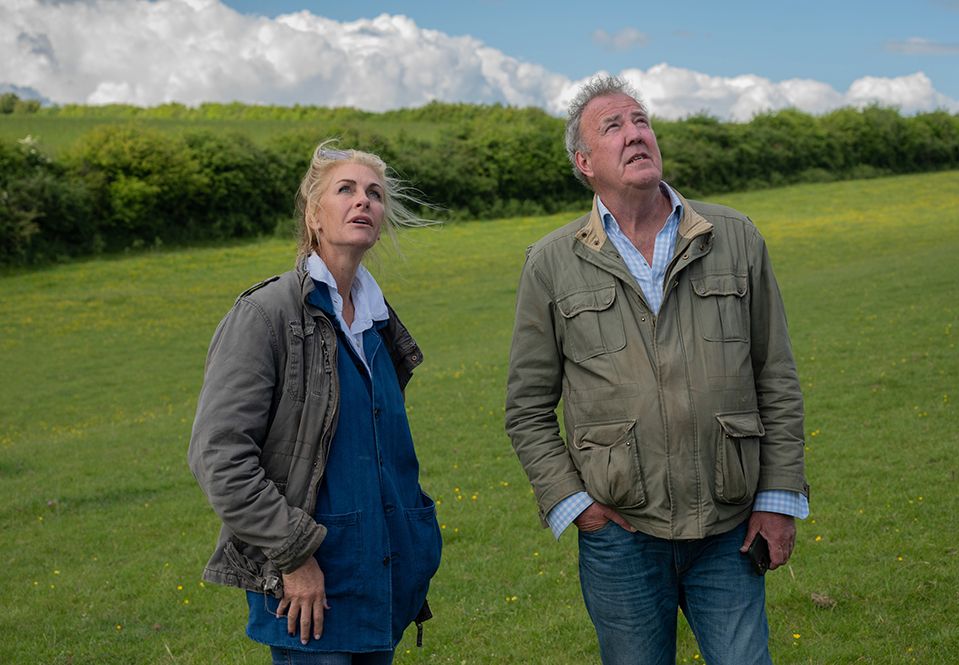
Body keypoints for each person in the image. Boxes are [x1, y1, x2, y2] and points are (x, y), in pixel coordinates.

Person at [505, 75, 809, 665]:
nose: (635, 133)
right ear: (584, 161)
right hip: (621, 537)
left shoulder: (734, 237)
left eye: (641, 121)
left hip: (729, 526)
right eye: (613, 126)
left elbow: (776, 376)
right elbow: (527, 407)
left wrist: (777, 498)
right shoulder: (551, 263)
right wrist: (575, 504)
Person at [189, 141, 442, 665]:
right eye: (345, 190)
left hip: (380, 578)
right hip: (308, 592)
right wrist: (295, 556)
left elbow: (379, 455)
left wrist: (417, 544)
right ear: (313, 213)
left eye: (374, 193)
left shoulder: (378, 321)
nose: (363, 202)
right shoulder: (267, 313)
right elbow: (220, 457)